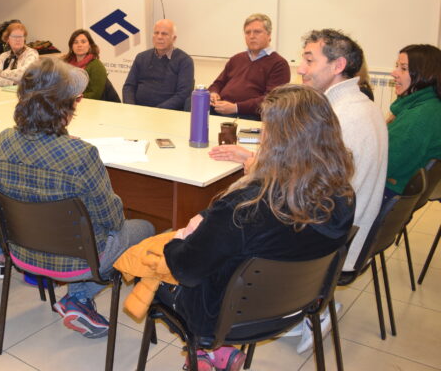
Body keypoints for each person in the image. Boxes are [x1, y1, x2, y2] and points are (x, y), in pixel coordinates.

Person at [212, 29, 389, 353]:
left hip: (327, 246)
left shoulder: (336, 117)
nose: (302, 68)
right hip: (349, 229)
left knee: (231, 222)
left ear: (337, 66)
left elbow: (295, 190)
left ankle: (302, 308)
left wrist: (254, 166)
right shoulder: (358, 104)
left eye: (309, 60)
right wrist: (255, 158)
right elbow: (312, 176)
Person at [161, 84, 355, 369]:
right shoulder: (342, 195)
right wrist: (259, 170)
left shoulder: (244, 208)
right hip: (296, 306)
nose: (262, 135)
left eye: (266, 130)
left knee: (158, 257)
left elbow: (185, 269)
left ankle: (205, 348)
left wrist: (178, 238)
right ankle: (214, 353)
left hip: (221, 316)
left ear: (277, 142)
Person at [0, 59, 154, 339]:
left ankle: (78, 299)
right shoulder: (81, 154)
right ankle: (78, 297)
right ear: (64, 107)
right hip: (77, 262)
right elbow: (113, 220)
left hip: (21, 252)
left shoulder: (3, 141)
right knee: (147, 229)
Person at [208, 14, 290, 119]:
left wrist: (236, 107)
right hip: (221, 107)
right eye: (247, 32)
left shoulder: (279, 64)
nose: (251, 36)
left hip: (247, 114)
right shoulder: (236, 58)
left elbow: (272, 100)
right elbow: (218, 83)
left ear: (269, 35)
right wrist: (213, 93)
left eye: (257, 32)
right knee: (193, 101)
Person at [385, 44, 441, 198]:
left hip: (388, 191)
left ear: (425, 74)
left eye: (403, 68)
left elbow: (385, 164)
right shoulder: (430, 105)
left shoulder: (420, 116)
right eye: (397, 66)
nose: (394, 73)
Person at [122, 19, 194, 111]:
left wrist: (156, 111)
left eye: (164, 34)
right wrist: (130, 107)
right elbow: (129, 86)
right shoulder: (141, 57)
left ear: (174, 38)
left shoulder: (185, 61)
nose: (159, 37)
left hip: (167, 113)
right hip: (138, 111)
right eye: (156, 33)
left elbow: (183, 94)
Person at [0, 21, 39, 86]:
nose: (18, 40)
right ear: (7, 39)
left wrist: (2, 74)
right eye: (14, 36)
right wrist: (13, 83)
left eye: (21, 36)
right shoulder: (4, 56)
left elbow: (24, 74)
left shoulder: (32, 54)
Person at [63, 29, 107, 100]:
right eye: (75, 42)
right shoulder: (65, 64)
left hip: (90, 105)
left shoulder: (96, 65)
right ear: (71, 46)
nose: (79, 45)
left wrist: (72, 98)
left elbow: (95, 94)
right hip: (67, 104)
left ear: (89, 45)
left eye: (83, 42)